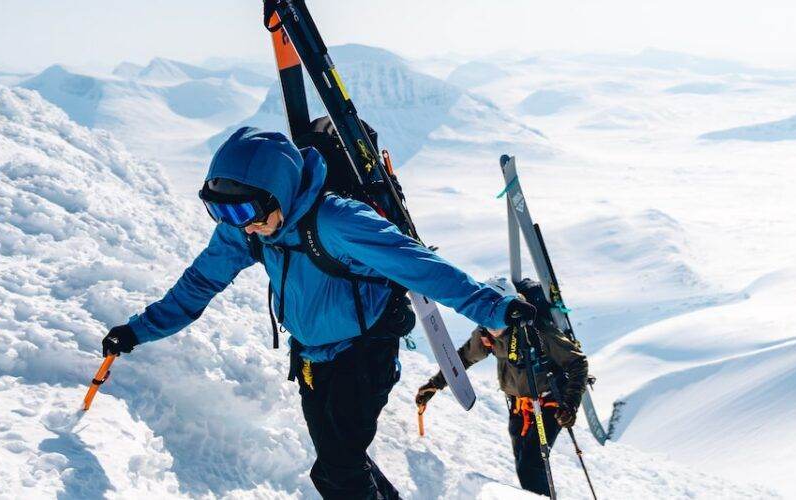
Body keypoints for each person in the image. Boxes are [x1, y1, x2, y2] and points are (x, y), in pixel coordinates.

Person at [100, 127, 538, 499]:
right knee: (339, 463)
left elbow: (420, 267)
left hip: (364, 352)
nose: (238, 223)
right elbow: (199, 284)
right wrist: (138, 331)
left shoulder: (339, 222)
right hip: (311, 356)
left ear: (278, 192)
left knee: (338, 468)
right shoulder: (246, 230)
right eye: (220, 211)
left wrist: (491, 307)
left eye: (244, 210)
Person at [415, 278, 589, 496]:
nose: (490, 323)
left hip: (549, 402)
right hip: (518, 406)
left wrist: (570, 404)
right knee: (524, 464)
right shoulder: (486, 335)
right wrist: (435, 384)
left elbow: (577, 362)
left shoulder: (536, 329)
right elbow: (463, 359)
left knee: (531, 465)